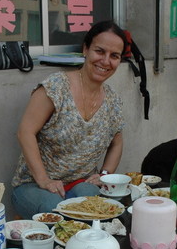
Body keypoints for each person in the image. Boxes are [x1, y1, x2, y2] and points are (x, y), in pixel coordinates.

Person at [11, 20, 126, 218]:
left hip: (80, 184)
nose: (106, 61)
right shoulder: (56, 87)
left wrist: (105, 176)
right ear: (86, 49)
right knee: (55, 208)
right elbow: (25, 132)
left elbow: (117, 142)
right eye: (100, 51)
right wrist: (44, 179)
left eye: (114, 56)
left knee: (95, 202)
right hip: (35, 185)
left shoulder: (112, 99)